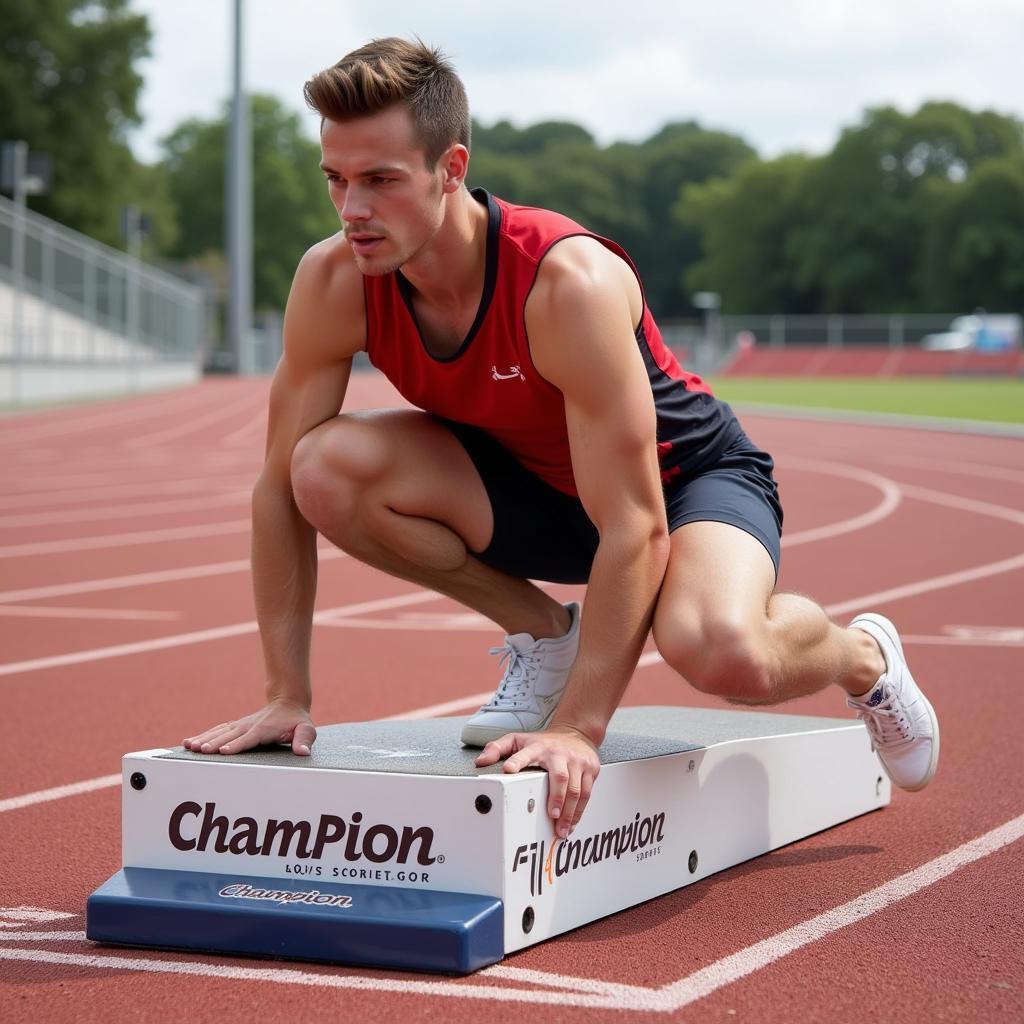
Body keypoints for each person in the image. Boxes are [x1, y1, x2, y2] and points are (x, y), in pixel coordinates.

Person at [184, 38, 939, 839]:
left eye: (380, 180)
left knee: (721, 652)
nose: (352, 210)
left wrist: (578, 728)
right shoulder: (335, 279)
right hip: (534, 487)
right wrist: (285, 694)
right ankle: (545, 633)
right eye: (336, 179)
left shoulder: (563, 282)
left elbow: (637, 527)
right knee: (320, 469)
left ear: (450, 168)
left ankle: (863, 657)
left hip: (682, 485)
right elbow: (276, 490)